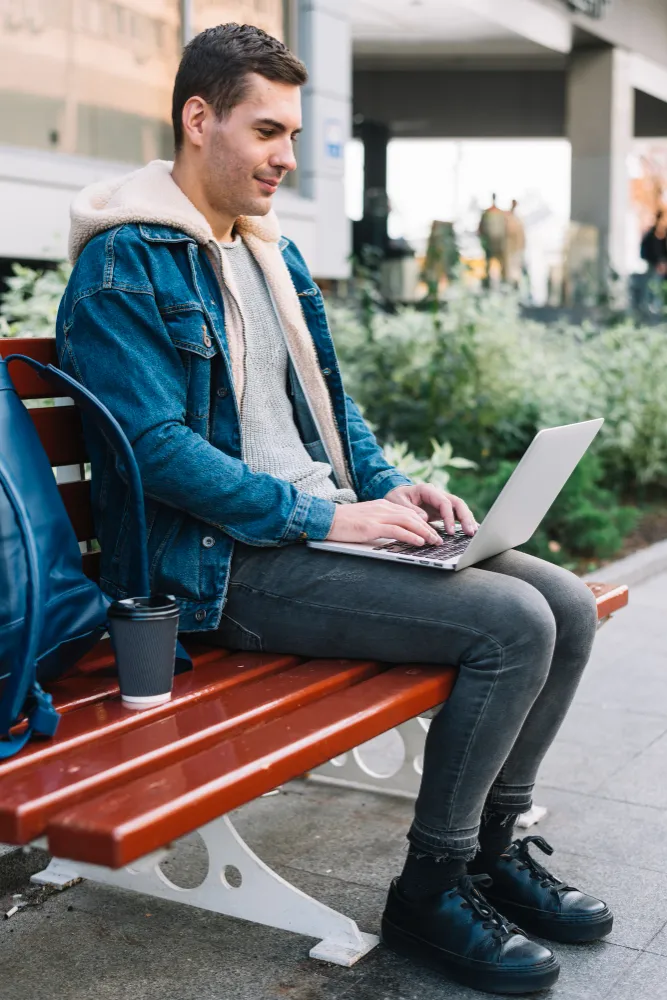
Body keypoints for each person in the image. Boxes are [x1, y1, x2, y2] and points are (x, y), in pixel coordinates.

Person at [55, 23, 611, 996]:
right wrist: (329, 521)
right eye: (267, 132)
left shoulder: (268, 255)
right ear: (198, 120)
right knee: (511, 623)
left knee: (559, 601)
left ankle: (489, 850)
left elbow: (329, 412)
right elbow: (153, 451)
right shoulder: (127, 266)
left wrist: (389, 487)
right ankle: (432, 889)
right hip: (219, 568)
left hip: (308, 534)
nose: (285, 158)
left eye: (292, 136)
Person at [478, 193, 507, 288]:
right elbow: (481, 229)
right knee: (488, 263)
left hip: (499, 243)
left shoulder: (500, 213)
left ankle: (503, 282)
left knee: (501, 263)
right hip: (490, 243)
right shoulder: (487, 213)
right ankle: (487, 282)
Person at [503, 199, 526, 289]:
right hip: (509, 247)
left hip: (517, 248)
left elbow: (522, 235)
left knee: (516, 267)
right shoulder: (508, 217)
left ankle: (515, 285)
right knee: (509, 268)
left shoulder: (518, 219)